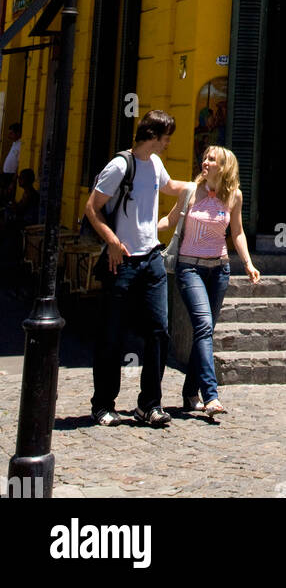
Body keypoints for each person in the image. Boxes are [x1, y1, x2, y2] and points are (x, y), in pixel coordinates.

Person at [85, 110, 190, 428]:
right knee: (112, 334)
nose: (169, 142)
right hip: (123, 260)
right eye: (167, 136)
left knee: (159, 331)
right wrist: (113, 241)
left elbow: (171, 186)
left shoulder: (155, 164)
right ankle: (103, 404)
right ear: (154, 136)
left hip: (152, 258)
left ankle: (149, 404)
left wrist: (204, 185)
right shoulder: (120, 165)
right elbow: (93, 207)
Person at [160, 145, 260, 419]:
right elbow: (169, 221)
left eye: (211, 160)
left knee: (205, 331)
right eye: (204, 158)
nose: (205, 162)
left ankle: (189, 393)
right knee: (203, 326)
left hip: (219, 270)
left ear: (224, 166)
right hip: (189, 268)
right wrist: (136, 233)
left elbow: (237, 232)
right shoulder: (190, 192)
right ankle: (211, 395)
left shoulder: (234, 196)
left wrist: (248, 263)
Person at [1, 124, 22, 204]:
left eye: (11, 133)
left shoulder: (21, 144)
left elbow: (19, 164)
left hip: (12, 176)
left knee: (9, 198)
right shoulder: (15, 143)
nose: (9, 136)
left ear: (18, 133)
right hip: (6, 175)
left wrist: (13, 181)